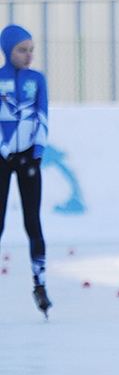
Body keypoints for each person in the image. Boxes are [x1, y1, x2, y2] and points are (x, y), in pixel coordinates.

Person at [0, 24, 51, 317]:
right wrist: (6, 152)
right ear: (8, 51)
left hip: (29, 159)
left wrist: (38, 152)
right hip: (2, 159)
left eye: (31, 49)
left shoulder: (37, 79)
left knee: (33, 222)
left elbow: (43, 115)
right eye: (22, 50)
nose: (29, 55)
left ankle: (40, 283)